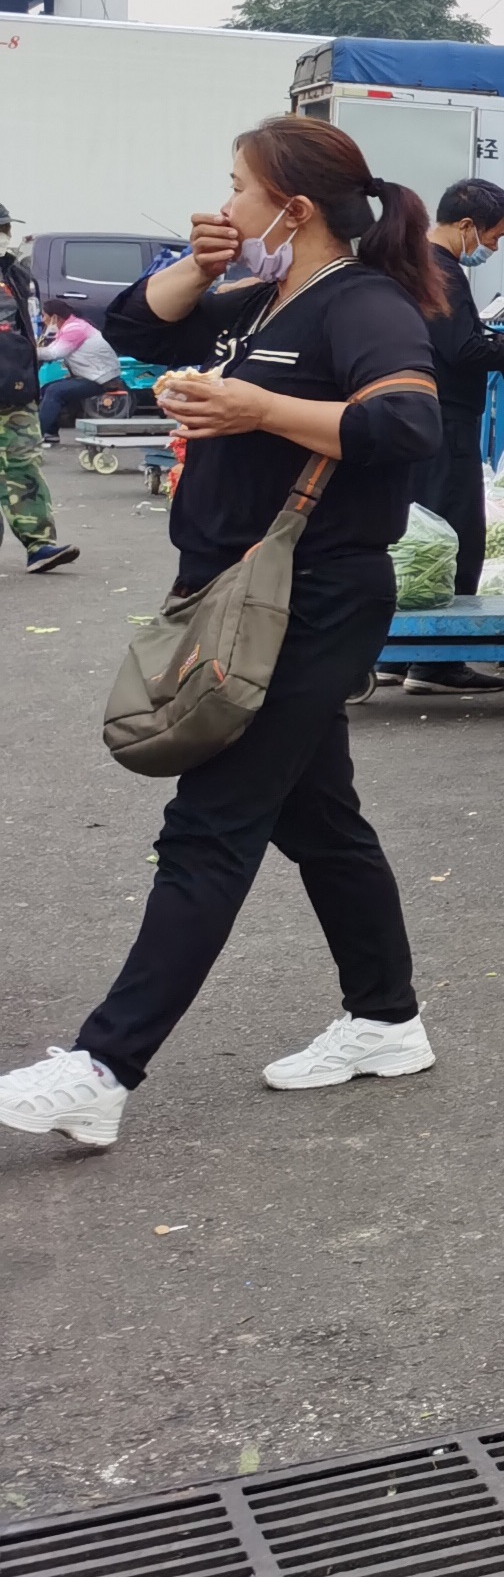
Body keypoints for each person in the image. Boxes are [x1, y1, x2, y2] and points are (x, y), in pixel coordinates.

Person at [0, 117, 445, 1150]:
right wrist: (195, 270)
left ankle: (104, 1067)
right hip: (235, 586)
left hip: (310, 595)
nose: (224, 204)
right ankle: (386, 1017)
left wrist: (259, 409)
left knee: (212, 824)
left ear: (293, 209)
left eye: (238, 189)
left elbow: (406, 423)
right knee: (318, 819)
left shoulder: (361, 304)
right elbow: (140, 331)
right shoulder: (260, 298)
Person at [393, 179, 504, 692]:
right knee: (457, 534)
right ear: (467, 226)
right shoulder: (442, 270)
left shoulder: (412, 264)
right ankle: (436, 663)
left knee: (417, 533)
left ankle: (396, 656)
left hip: (416, 413)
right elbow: (466, 350)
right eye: (493, 238)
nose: (492, 248)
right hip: (445, 417)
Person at [0, 232, 75, 574]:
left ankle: (39, 545)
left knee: (23, 464)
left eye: (4, 230)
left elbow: (23, 331)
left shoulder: (16, 274)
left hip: (16, 388)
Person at [38, 309, 127, 436]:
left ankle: (37, 435)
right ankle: (51, 434)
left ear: (55, 317)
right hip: (93, 374)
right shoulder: (75, 326)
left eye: (44, 315)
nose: (42, 319)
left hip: (100, 378)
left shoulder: (74, 329)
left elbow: (55, 353)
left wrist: (31, 351)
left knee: (54, 391)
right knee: (47, 389)